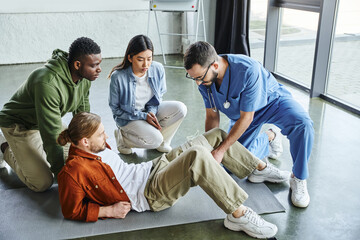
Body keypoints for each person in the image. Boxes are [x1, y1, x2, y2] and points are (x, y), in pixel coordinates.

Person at [57, 112, 290, 239]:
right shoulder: (73, 172)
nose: (106, 138)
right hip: (150, 193)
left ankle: (257, 169)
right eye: (101, 135)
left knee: (216, 136)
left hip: (151, 168)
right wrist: (108, 211)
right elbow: (71, 209)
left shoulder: (93, 147)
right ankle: (238, 213)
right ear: (85, 141)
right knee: (197, 156)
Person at [183, 41, 315, 208]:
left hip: (272, 102)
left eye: (199, 77)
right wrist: (211, 149)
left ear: (215, 65)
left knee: (303, 124)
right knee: (233, 163)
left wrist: (221, 149)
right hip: (243, 116)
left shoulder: (247, 70)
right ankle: (269, 137)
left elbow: (247, 118)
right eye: (193, 78)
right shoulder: (205, 80)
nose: (197, 83)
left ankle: (298, 177)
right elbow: (212, 115)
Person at [0, 37, 102, 192]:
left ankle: (33, 151)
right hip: (20, 125)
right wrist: (62, 176)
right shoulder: (47, 83)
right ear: (77, 64)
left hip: (47, 120)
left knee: (78, 159)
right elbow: (51, 134)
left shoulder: (84, 78)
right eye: (94, 65)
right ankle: (4, 146)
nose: (99, 69)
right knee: (43, 182)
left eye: (99, 64)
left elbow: (82, 116)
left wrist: (92, 147)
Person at [108, 35, 187, 155]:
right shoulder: (118, 77)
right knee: (154, 140)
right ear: (130, 57)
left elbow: (158, 98)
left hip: (149, 111)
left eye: (149, 59)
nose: (146, 64)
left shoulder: (158, 69)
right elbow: (116, 110)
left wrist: (151, 112)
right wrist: (143, 116)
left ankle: (163, 142)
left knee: (180, 109)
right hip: (128, 118)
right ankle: (122, 138)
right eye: (140, 59)